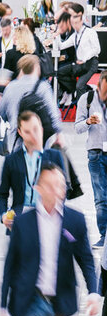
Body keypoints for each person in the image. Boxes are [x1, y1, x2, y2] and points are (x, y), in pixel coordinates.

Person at [0, 162, 100, 316]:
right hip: (29, 302)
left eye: (61, 186)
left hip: (59, 304)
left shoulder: (75, 220)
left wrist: (93, 292)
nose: (57, 191)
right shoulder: (23, 223)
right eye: (51, 185)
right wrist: (2, 305)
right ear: (38, 188)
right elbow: (10, 264)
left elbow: (86, 259)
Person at [0, 111, 64, 231]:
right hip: (20, 216)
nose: (33, 135)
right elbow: (2, 194)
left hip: (48, 216)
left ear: (41, 128)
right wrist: (3, 216)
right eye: (27, 132)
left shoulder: (55, 157)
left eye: (35, 129)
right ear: (20, 132)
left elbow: (65, 189)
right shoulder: (11, 160)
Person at [0, 55, 62, 152]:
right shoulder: (43, 87)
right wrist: (59, 133)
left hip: (17, 136)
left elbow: (0, 112)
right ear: (36, 68)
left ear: (21, 69)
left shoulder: (11, 87)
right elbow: (53, 113)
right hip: (40, 137)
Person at [75, 70, 107, 249]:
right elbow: (77, 127)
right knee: (101, 198)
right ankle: (104, 235)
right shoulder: (86, 99)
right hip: (95, 153)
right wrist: (88, 122)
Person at [53, 6, 100, 103]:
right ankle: (80, 89)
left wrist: (85, 58)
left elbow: (97, 49)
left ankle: (81, 107)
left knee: (80, 86)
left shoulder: (90, 32)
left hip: (90, 63)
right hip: (79, 64)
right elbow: (61, 46)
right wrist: (57, 34)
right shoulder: (75, 35)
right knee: (58, 73)